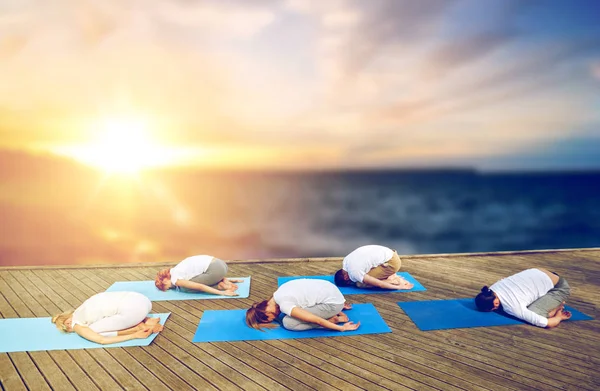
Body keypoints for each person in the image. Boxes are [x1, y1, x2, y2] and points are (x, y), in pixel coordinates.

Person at [246, 279, 360, 331]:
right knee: (297, 312)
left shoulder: (284, 304)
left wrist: (341, 328)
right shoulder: (278, 292)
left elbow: (317, 320)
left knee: (288, 322)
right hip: (332, 292)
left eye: (271, 318)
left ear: (266, 313)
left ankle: (334, 318)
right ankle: (336, 309)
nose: (275, 318)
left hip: (332, 303)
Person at [51, 291, 162, 344]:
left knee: (94, 332)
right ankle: (146, 319)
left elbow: (102, 340)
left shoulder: (76, 324)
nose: (71, 331)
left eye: (67, 329)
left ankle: (138, 328)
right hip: (144, 300)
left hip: (135, 311)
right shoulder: (82, 308)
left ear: (68, 323)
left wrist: (133, 336)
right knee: (108, 314)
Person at [474, 268, 572, 328]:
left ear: (495, 305)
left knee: (537, 313)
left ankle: (558, 304)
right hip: (542, 272)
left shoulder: (513, 308)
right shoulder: (492, 288)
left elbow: (547, 323)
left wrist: (559, 317)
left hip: (559, 287)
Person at [334, 245, 413, 290]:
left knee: (360, 284)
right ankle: (387, 273)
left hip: (392, 263)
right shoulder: (346, 261)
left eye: (349, 282)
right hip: (390, 253)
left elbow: (380, 284)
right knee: (364, 275)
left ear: (346, 277)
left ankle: (395, 280)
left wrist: (400, 287)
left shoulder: (355, 272)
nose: (352, 282)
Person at [155, 254, 242, 295]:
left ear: (165, 280)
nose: (173, 287)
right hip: (222, 264)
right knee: (189, 283)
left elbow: (200, 286)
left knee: (185, 288)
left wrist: (222, 293)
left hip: (216, 270)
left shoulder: (175, 280)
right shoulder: (176, 269)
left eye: (169, 287)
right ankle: (223, 279)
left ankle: (221, 285)